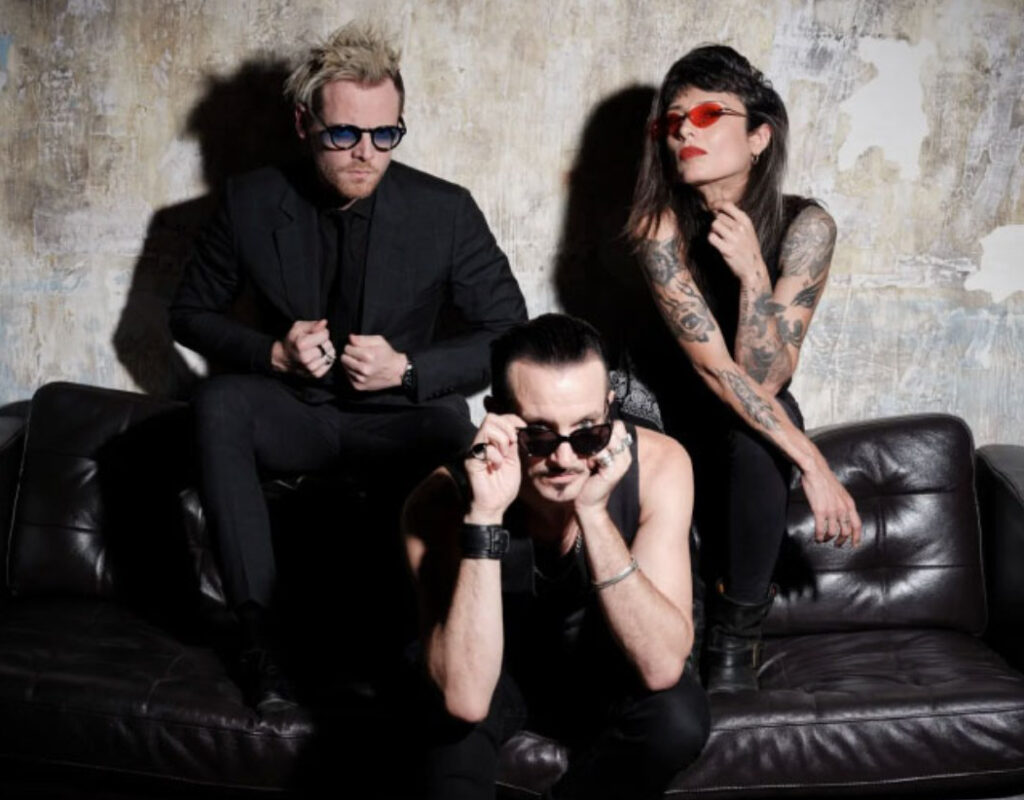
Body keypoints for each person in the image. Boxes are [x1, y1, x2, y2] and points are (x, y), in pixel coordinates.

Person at [169, 21, 527, 710]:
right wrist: (272, 353)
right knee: (219, 404)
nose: (366, 153)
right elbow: (188, 313)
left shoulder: (445, 211)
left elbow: (511, 332)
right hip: (297, 412)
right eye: (344, 134)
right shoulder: (250, 201)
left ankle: (423, 643)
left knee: (453, 431)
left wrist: (410, 369)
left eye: (385, 134)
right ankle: (260, 638)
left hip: (402, 416)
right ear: (304, 124)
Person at [625, 45, 862, 692]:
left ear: (759, 137)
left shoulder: (807, 226)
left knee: (768, 419)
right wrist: (813, 462)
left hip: (744, 416)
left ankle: (736, 635)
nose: (686, 132)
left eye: (708, 114)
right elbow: (712, 373)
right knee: (771, 424)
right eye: (673, 121)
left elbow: (766, 378)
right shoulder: (658, 226)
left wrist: (755, 271)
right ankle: (682, 619)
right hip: (660, 411)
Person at [403, 314, 710, 800]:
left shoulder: (660, 466)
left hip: (606, 664)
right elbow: (465, 697)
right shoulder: (439, 500)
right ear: (498, 417)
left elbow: (661, 666)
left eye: (587, 432)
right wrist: (485, 514)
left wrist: (593, 512)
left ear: (610, 410)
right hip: (496, 669)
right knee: (443, 725)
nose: (564, 459)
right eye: (540, 436)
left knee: (679, 718)